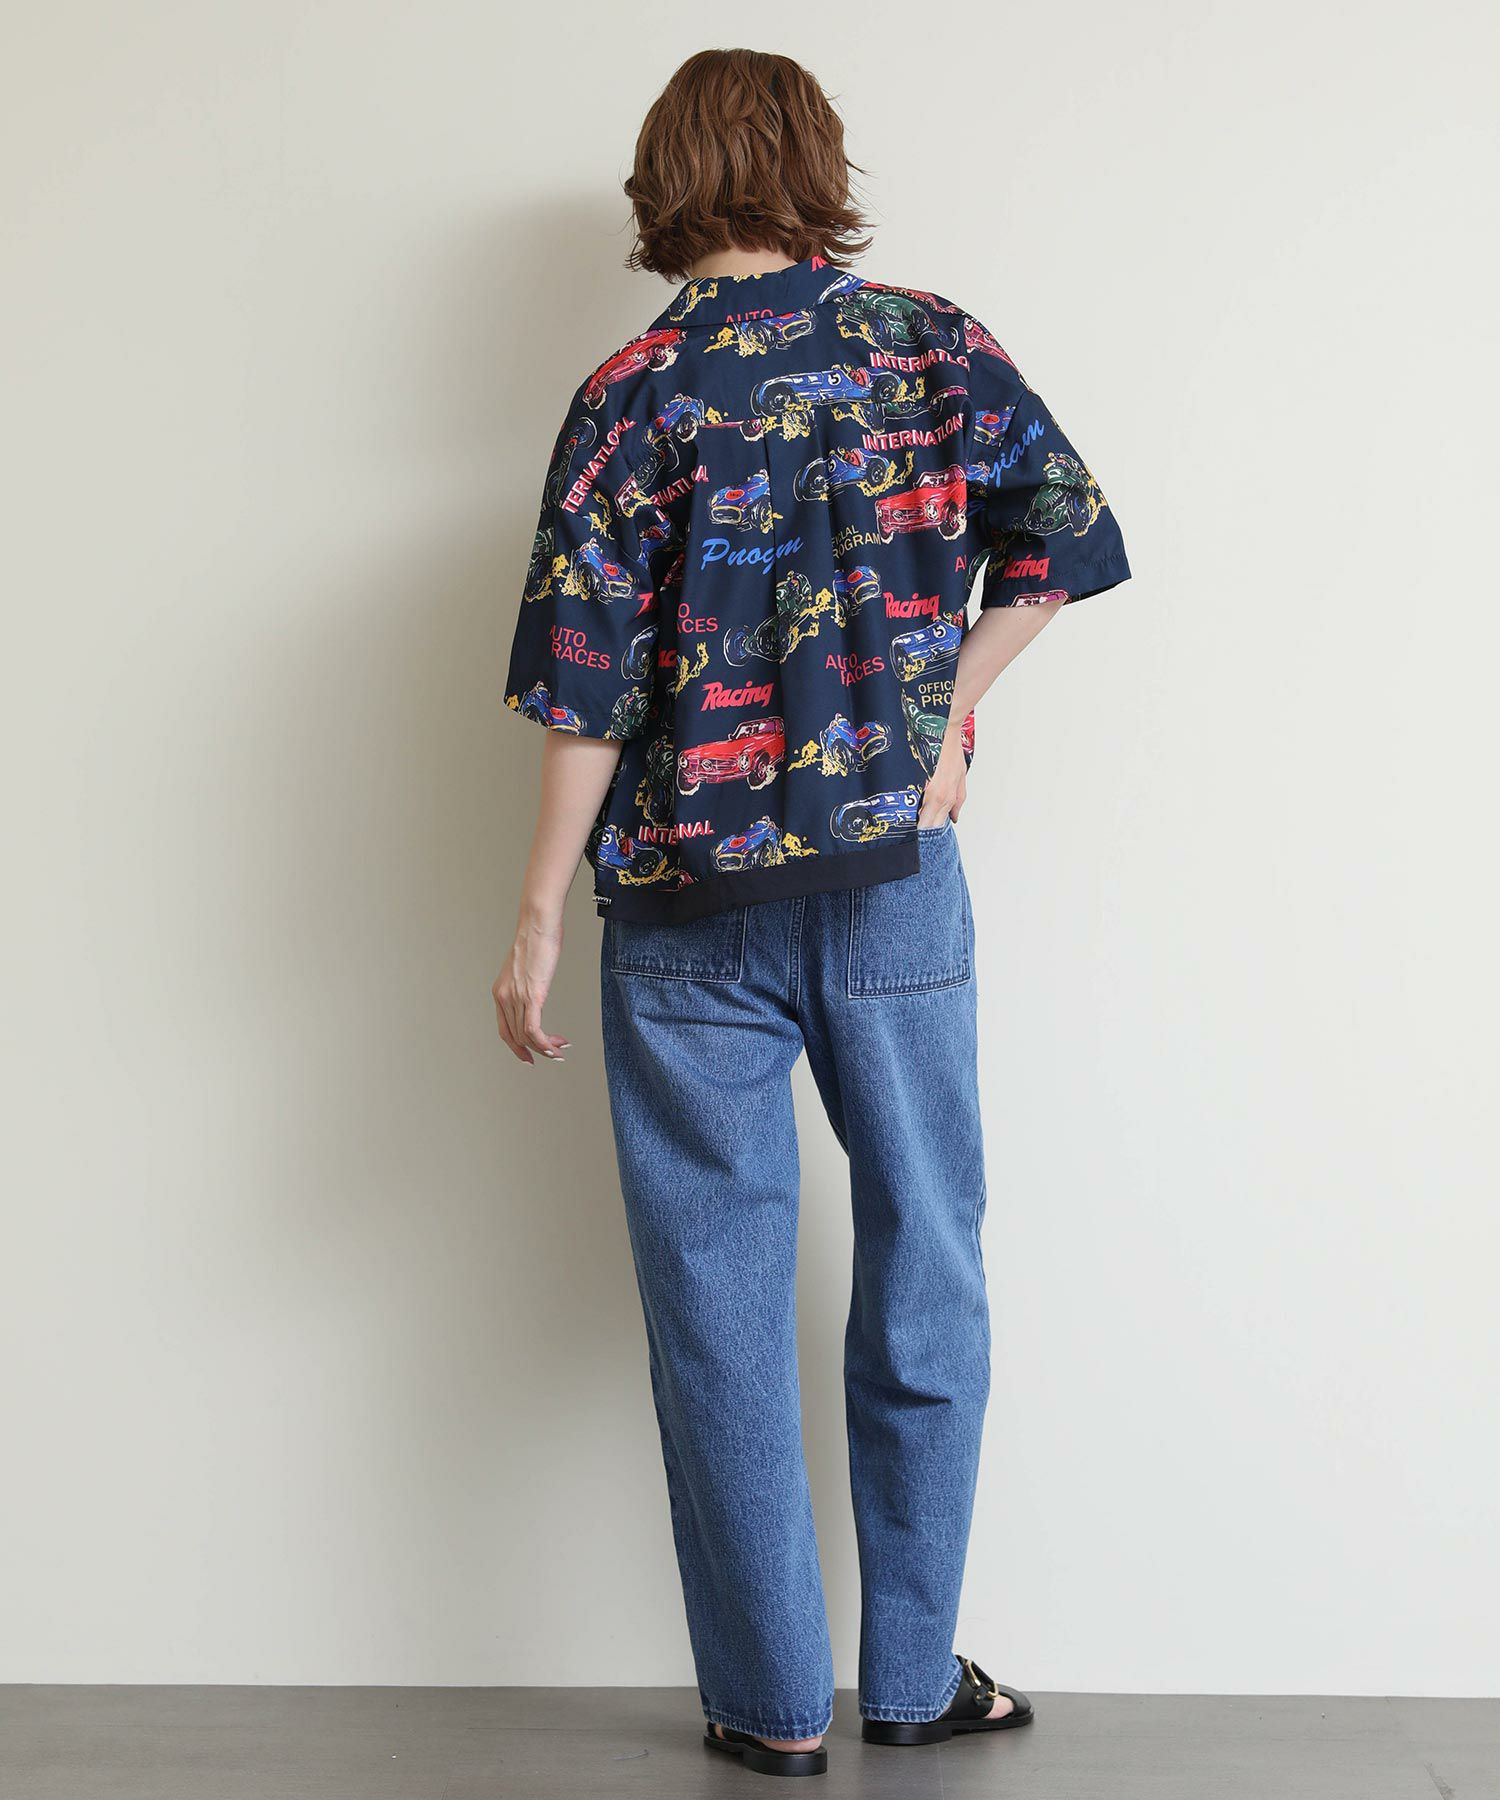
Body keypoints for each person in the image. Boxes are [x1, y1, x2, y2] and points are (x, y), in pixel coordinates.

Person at [493, 47, 1131, 1780]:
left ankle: (772, 1708)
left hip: (683, 906)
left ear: (665, 177)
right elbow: (1063, 539)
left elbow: (584, 686)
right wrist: (940, 721)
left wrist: (538, 910)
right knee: (930, 1263)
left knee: (716, 1307)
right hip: (887, 880)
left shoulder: (630, 392)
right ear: (816, 165)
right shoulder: (927, 345)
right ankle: (911, 1680)